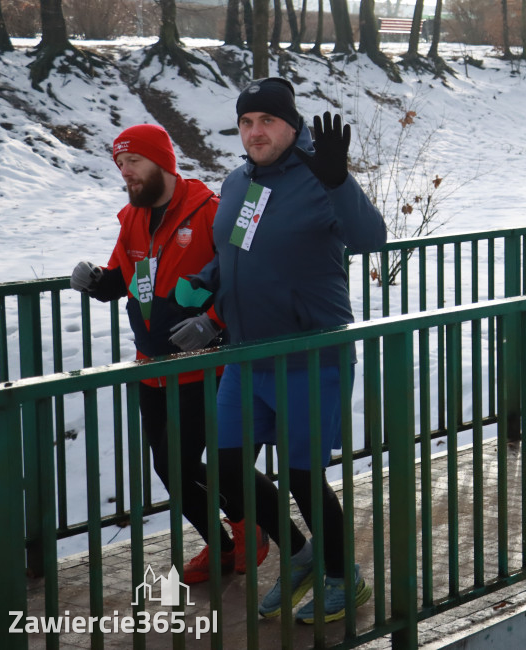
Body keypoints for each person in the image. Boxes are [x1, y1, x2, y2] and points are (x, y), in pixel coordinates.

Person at [190, 77, 387, 624]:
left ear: (291, 125)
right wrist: (207, 282)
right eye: (246, 122)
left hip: (309, 355)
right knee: (225, 466)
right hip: (245, 356)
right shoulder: (240, 182)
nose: (255, 132)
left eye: (267, 121)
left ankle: (343, 577)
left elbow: (372, 239)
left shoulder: (319, 176)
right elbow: (236, 247)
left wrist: (339, 181)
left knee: (302, 477)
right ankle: (301, 556)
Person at [69, 124, 269, 585]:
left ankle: (247, 526)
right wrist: (95, 280)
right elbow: (122, 278)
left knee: (189, 463)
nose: (126, 172)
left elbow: (239, 277)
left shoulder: (209, 210)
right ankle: (221, 546)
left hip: (205, 365)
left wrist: (212, 321)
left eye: (134, 161)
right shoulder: (131, 218)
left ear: (162, 162)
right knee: (168, 469)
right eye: (120, 164)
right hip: (152, 366)